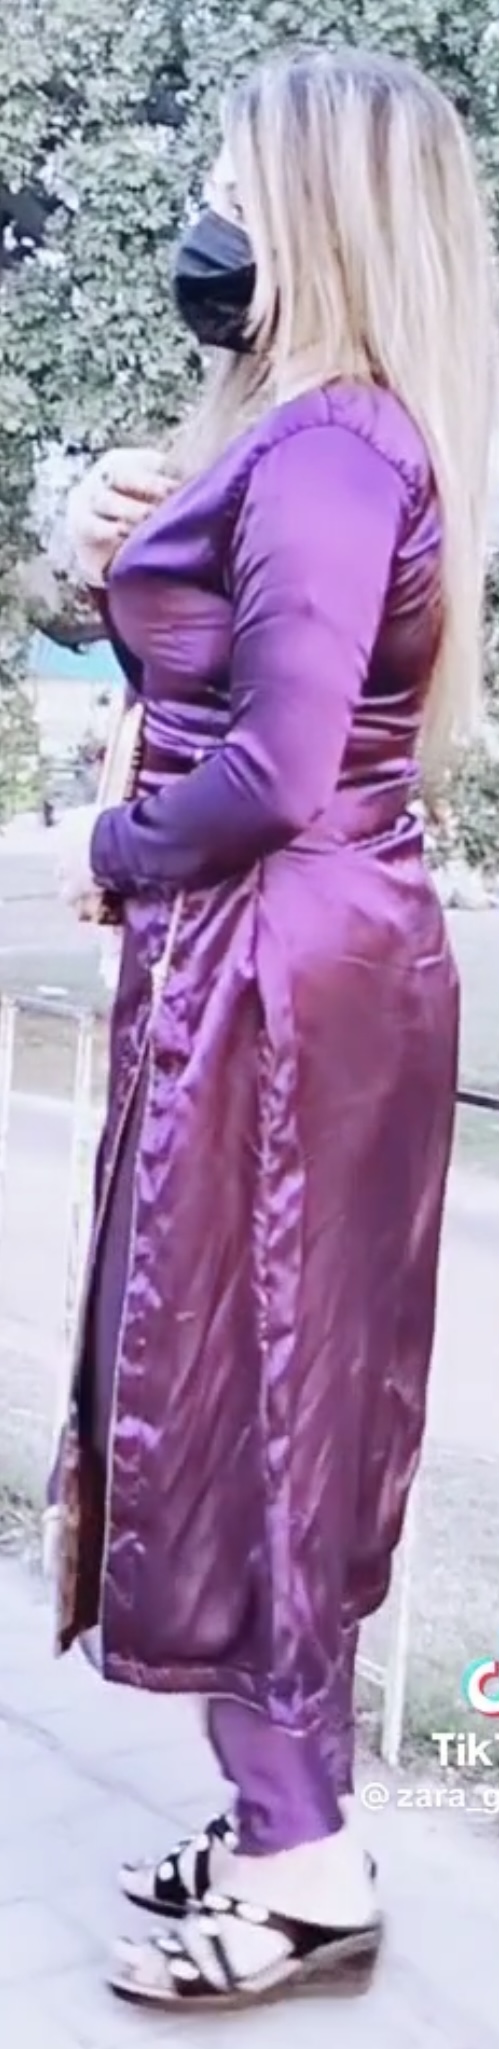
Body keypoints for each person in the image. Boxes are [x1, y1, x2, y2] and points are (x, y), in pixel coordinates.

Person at [52, 44, 497, 2012]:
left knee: (251, 1385)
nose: (209, 221)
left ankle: (304, 1869)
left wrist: (108, 845)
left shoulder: (326, 453)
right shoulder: (328, 435)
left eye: (238, 184)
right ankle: (287, 1812)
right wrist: (102, 538)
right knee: (280, 1378)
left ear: (317, 210)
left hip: (277, 969)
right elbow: (224, 670)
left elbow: (269, 769)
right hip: (309, 956)